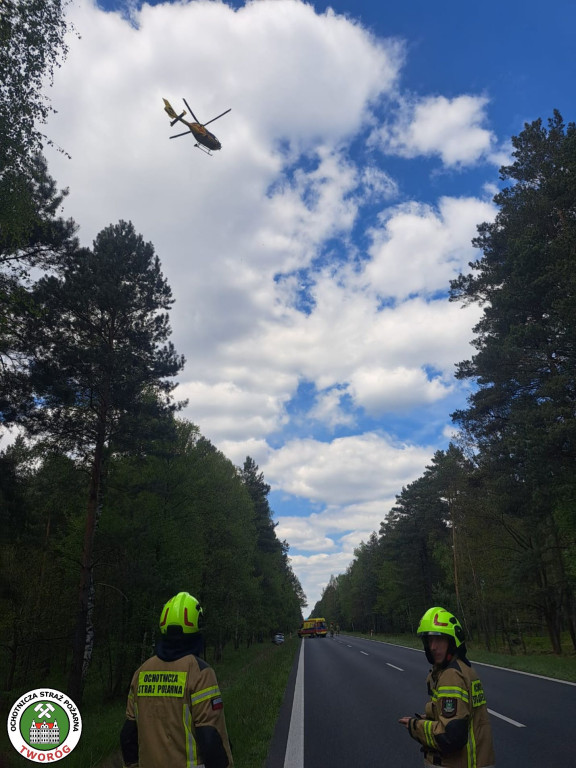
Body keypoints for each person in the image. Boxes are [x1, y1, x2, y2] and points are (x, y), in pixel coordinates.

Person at [120, 591, 234, 768]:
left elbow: (128, 734)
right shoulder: (200, 672)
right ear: (197, 625)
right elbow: (210, 736)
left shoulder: (141, 672)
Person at [399, 606, 495, 768]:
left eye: (439, 639)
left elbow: (451, 736)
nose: (433, 647)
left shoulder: (451, 676)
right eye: (429, 640)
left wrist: (415, 726)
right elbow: (461, 718)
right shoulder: (464, 669)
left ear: (452, 641)